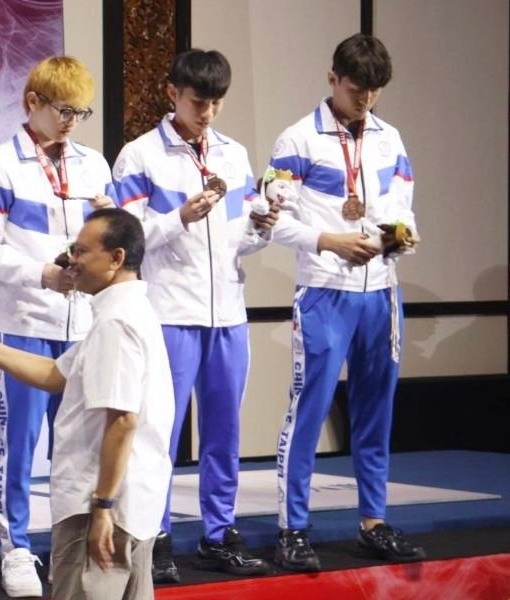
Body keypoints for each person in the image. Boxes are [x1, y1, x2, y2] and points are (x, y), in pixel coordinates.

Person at [0, 209, 173, 599]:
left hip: (101, 510)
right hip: (132, 508)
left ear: (116, 258)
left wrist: (103, 506)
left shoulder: (116, 322)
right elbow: (55, 374)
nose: (71, 260)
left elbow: (123, 420)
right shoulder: (126, 312)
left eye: (82, 251)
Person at [112, 49, 273, 582]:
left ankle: (218, 533)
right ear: (172, 94)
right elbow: (126, 239)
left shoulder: (234, 154)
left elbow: (240, 238)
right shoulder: (139, 156)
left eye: (216, 103)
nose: (207, 113)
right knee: (158, 434)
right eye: (199, 102)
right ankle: (153, 537)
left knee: (224, 432)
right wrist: (178, 217)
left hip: (227, 312)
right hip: (169, 312)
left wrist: (263, 227)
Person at [266, 33, 423, 572]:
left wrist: (399, 235)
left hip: (382, 291)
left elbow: (402, 207)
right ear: (332, 79)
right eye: (357, 90)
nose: (366, 100)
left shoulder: (389, 138)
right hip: (324, 291)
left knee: (376, 409)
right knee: (309, 408)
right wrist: (329, 241)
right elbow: (272, 222)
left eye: (375, 91)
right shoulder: (296, 140)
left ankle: (373, 522)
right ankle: (292, 528)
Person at [0, 55, 116, 598]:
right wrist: (42, 274)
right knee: (18, 446)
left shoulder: (94, 165)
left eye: (81, 111)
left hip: (84, 329)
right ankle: (15, 551)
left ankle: (66, 548)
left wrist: (110, 217)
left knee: (76, 449)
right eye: (64, 110)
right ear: (33, 102)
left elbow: (114, 240)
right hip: (27, 323)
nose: (73, 121)